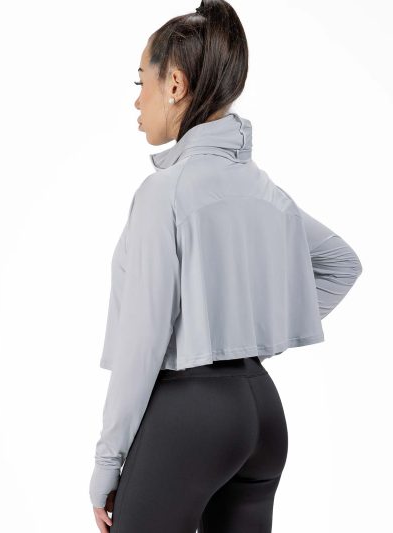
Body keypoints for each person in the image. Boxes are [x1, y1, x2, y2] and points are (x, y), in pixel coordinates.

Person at [89, 1, 363, 532]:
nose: (137, 99)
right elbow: (340, 263)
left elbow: (143, 342)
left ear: (174, 83)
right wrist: (254, 331)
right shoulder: (263, 190)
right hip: (261, 414)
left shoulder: (164, 193)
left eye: (141, 80)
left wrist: (107, 461)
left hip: (189, 418)